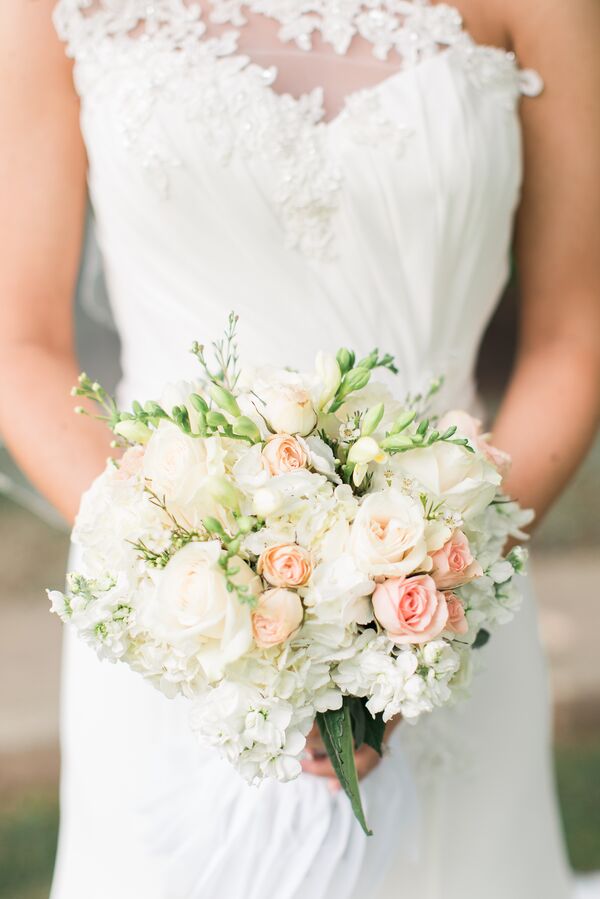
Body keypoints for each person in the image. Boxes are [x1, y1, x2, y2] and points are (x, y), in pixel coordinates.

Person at [1, 1, 599, 897]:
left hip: (448, 610)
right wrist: (177, 585)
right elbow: (22, 343)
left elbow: (574, 331)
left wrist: (432, 590)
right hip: (177, 625)